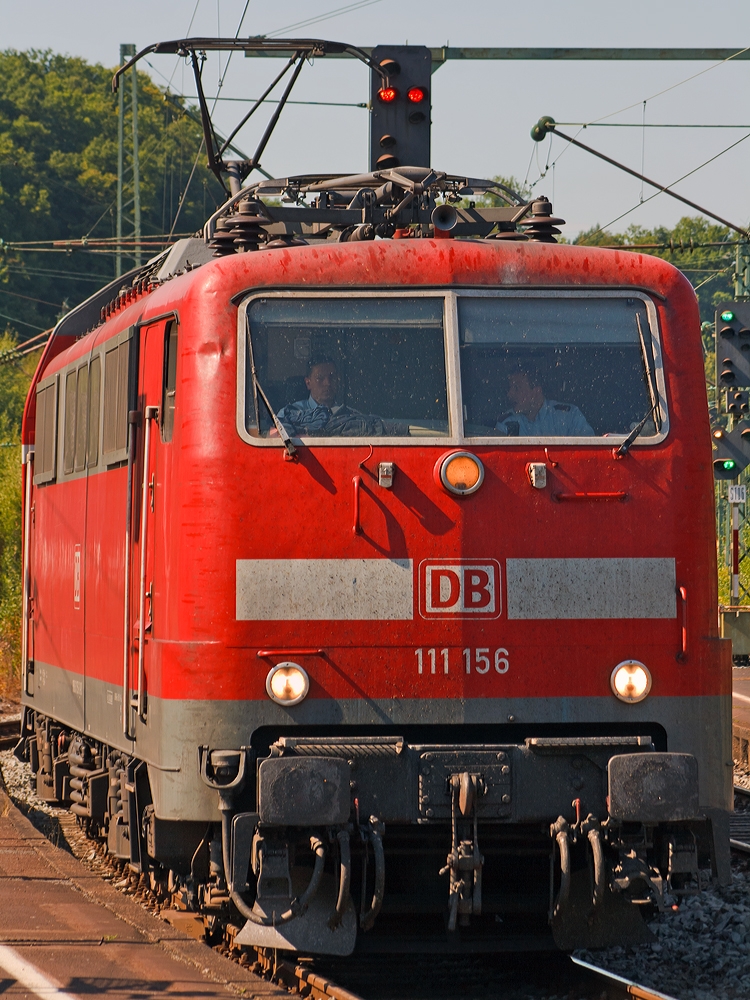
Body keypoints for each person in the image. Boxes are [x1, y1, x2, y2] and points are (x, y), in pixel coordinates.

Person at [276, 358, 409, 437]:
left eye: (332, 377)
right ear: (308, 382)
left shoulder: (351, 416)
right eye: (320, 378)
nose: (328, 383)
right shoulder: (291, 413)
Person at [496, 366, 595, 437]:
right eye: (510, 388)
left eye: (516, 388)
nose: (510, 394)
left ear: (536, 391)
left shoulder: (569, 416)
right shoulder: (506, 423)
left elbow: (589, 454)